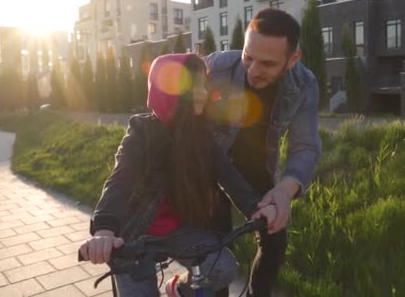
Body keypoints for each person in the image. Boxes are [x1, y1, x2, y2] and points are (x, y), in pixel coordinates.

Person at [79, 53, 277, 297]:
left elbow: (227, 174)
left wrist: (255, 207)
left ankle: (178, 289)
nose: (204, 92)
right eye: (195, 86)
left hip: (180, 230)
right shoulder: (142, 133)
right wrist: (104, 230)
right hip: (133, 236)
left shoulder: (200, 133)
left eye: (204, 85)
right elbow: (120, 180)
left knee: (223, 268)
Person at [204, 8, 322, 296]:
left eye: (268, 63)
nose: (253, 70)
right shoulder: (213, 68)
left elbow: (305, 147)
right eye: (248, 56)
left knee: (275, 242)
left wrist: (284, 191)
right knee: (216, 250)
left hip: (257, 170)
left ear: (293, 58)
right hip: (208, 167)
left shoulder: (305, 85)